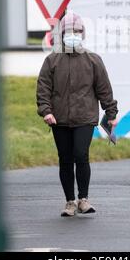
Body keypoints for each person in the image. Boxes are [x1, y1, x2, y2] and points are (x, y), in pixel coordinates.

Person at [36, 11, 118, 217]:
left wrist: (111, 113)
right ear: (62, 34)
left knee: (81, 155)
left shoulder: (93, 60)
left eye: (78, 31)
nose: (74, 34)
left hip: (84, 118)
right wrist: (46, 112)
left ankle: (84, 199)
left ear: (83, 34)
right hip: (59, 119)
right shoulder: (52, 60)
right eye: (69, 31)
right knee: (65, 159)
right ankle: (69, 202)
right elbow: (43, 89)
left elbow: (104, 89)